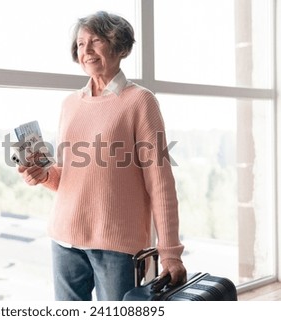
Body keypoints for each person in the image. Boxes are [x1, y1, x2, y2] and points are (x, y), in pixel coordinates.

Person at [18, 11, 186, 301]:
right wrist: (44, 175)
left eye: (96, 41)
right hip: (64, 238)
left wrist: (170, 251)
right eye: (81, 44)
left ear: (120, 47)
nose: (87, 50)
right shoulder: (70, 104)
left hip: (118, 245)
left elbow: (160, 183)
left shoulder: (139, 101)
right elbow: (68, 176)